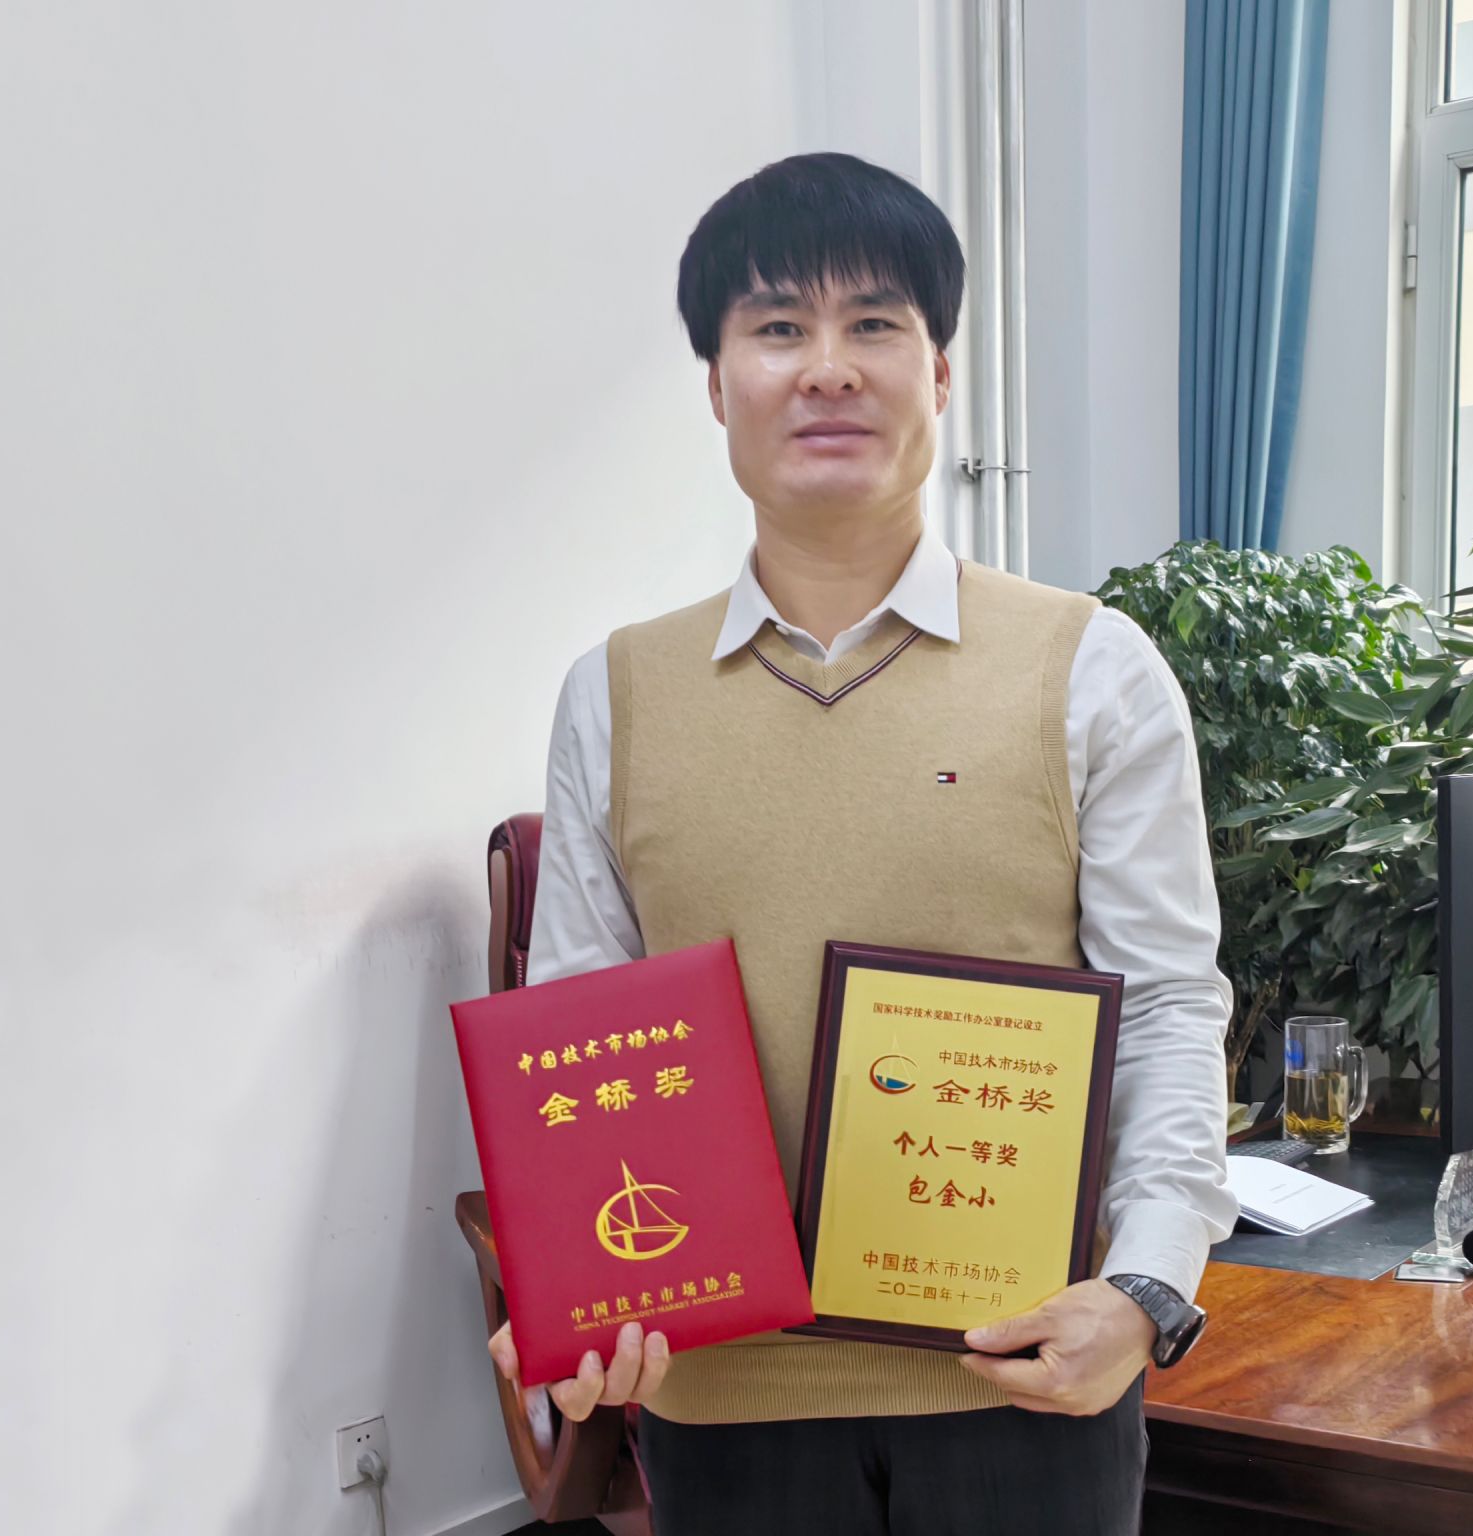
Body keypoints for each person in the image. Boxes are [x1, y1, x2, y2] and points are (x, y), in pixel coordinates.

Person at [487, 150, 1236, 1535]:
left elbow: (1169, 1006)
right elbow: (580, 1027)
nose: (827, 369)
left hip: (1025, 1379)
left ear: (938, 374)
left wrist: (1146, 1289)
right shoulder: (616, 692)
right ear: (718, 386)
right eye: (778, 327)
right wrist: (567, 1281)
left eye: (873, 324)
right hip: (721, 1397)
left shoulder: (1091, 668)